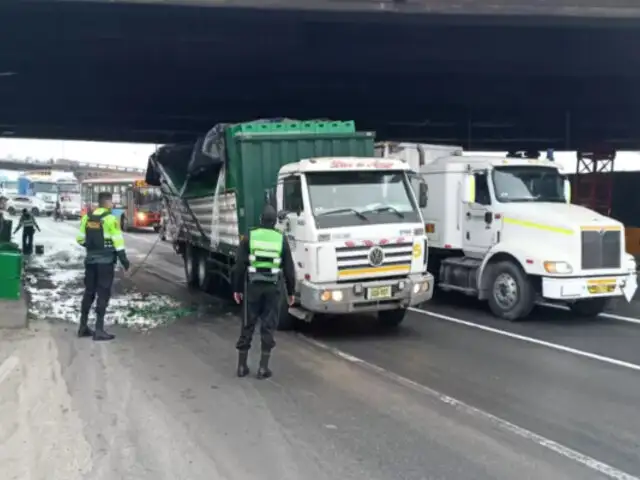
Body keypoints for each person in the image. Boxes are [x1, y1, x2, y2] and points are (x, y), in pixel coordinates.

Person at [232, 204, 295, 379]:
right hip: (273, 288)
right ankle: (262, 368)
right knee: (268, 325)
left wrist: (237, 289)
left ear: (261, 220)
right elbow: (289, 270)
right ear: (275, 222)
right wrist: (291, 292)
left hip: (252, 287)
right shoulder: (280, 239)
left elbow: (239, 267)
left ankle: (242, 367)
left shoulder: (250, 237)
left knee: (248, 323)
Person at [76, 191, 130, 341]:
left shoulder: (87, 217)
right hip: (105, 263)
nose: (112, 205)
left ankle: (83, 327)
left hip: (90, 261)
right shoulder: (110, 219)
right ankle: (99, 330)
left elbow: (80, 239)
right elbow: (118, 242)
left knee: (89, 292)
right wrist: (124, 261)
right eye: (111, 202)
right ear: (107, 203)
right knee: (103, 293)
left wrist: (92, 247)